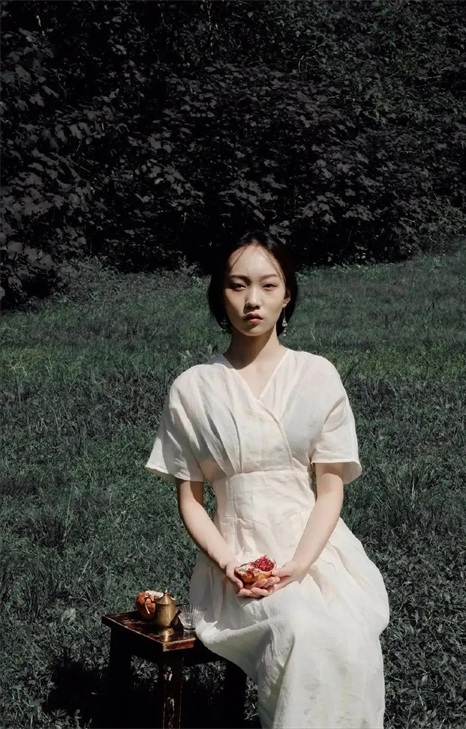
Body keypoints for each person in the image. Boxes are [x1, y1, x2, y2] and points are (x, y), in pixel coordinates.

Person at [145, 230, 390, 729]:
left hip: (316, 553)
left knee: (347, 634)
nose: (252, 300)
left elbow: (330, 490)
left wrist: (299, 565)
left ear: (287, 295)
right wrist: (228, 563)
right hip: (236, 560)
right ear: (220, 296)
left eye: (267, 285)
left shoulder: (318, 376)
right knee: (299, 628)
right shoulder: (193, 388)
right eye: (237, 285)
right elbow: (190, 499)